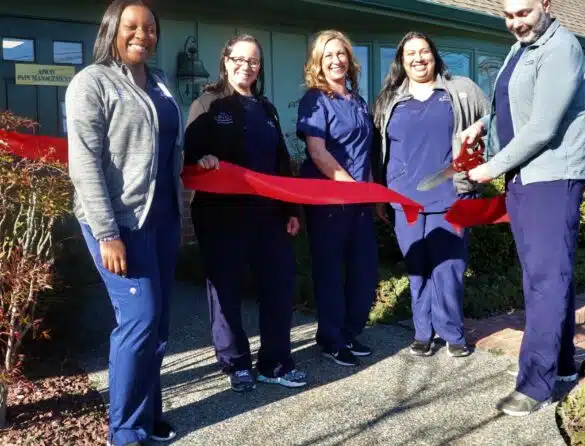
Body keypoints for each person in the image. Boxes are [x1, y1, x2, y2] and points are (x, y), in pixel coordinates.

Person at [463, 0, 585, 416]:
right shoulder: (523, 46)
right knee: (551, 275)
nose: (515, 22)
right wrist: (482, 123)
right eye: (508, 15)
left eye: (523, 12)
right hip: (525, 176)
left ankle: (535, 385)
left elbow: (542, 126)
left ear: (546, 4)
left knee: (545, 280)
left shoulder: (561, 49)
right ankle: (561, 364)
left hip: (551, 177)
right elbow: (510, 101)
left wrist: (489, 168)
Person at [65, 1, 182, 444]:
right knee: (138, 319)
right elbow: (85, 163)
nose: (142, 35)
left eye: (149, 28)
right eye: (131, 26)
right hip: (120, 224)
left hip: (165, 220)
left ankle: (149, 416)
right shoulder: (91, 83)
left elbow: (168, 147)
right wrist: (108, 232)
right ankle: (125, 430)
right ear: (112, 30)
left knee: (157, 323)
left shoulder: (161, 83)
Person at [183, 34, 307, 392]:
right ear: (225, 60)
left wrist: (291, 209)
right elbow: (191, 156)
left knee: (279, 285)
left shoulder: (266, 108)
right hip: (221, 217)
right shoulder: (208, 103)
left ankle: (275, 362)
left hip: (268, 215)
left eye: (253, 61)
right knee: (226, 290)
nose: (246, 66)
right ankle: (235, 363)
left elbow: (281, 164)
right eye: (239, 59)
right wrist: (202, 160)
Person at [371, 32, 489, 359]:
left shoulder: (461, 90)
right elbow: (377, 151)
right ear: (402, 60)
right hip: (404, 200)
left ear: (434, 56)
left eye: (424, 52)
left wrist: (484, 159)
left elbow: (493, 121)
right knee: (417, 267)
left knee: (448, 268)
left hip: (451, 197)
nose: (418, 58)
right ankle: (422, 332)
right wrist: (381, 195)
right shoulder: (389, 100)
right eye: (411, 53)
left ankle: (452, 333)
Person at [296, 30, 377, 367]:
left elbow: (365, 153)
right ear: (318, 62)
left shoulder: (356, 100)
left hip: (360, 201)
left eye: (341, 54)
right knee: (330, 272)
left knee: (364, 270)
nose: (336, 60)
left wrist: (371, 193)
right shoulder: (315, 99)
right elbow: (316, 151)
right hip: (330, 200)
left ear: (349, 59)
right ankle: (331, 338)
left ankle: (349, 331)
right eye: (328, 55)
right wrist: (348, 185)